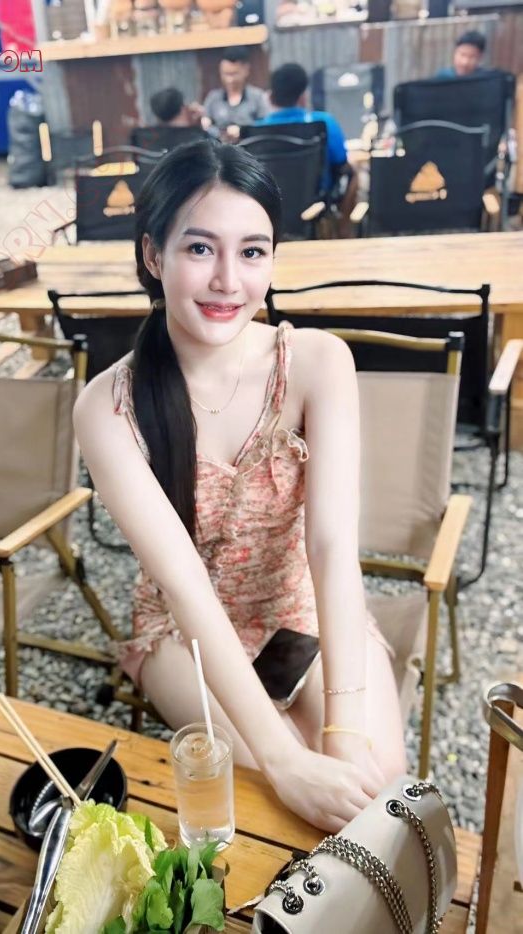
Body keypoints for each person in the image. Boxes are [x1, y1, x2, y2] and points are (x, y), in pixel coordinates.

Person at [74, 139, 406, 833]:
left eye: (252, 251)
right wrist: (285, 761)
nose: (228, 280)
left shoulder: (317, 363)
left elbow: (332, 547)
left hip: (298, 607)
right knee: (272, 800)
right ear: (152, 255)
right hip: (185, 632)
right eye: (200, 248)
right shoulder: (107, 408)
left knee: (374, 790)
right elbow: (186, 587)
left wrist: (344, 732)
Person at [255, 62, 358, 237]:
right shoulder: (325, 123)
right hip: (314, 209)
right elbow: (341, 164)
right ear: (303, 96)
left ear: (270, 98)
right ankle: (342, 232)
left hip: (268, 211)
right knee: (353, 174)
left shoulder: (255, 131)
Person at [203, 47, 268, 139]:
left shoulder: (257, 97)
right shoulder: (213, 98)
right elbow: (206, 126)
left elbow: (264, 127)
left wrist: (243, 131)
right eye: (226, 74)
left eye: (234, 74)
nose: (230, 80)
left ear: (246, 70)